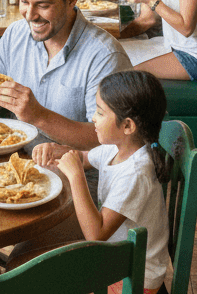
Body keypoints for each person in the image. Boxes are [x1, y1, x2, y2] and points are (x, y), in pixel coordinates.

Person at [0, 0, 132, 282]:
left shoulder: (103, 55)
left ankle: (5, 283)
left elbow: (108, 143)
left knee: (19, 276)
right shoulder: (17, 35)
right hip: (21, 175)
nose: (30, 14)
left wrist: (38, 115)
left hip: (83, 189)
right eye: (24, 2)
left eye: (43, 5)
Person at [33, 71, 172, 294]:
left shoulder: (136, 174)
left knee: (46, 279)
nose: (93, 118)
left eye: (100, 112)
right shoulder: (118, 148)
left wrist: (77, 176)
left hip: (134, 277)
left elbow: (95, 234)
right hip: (117, 258)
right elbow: (84, 157)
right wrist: (55, 150)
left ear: (127, 126)